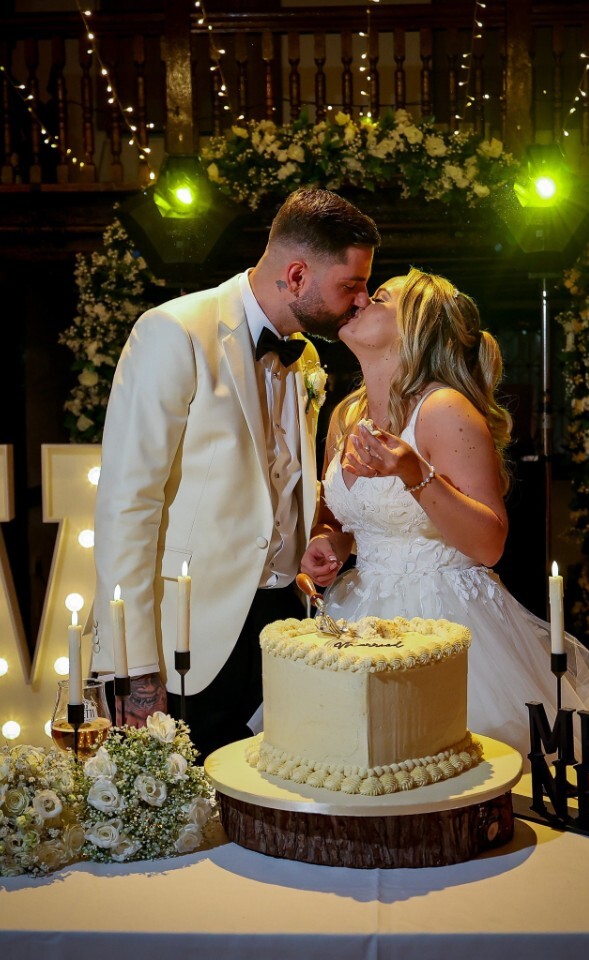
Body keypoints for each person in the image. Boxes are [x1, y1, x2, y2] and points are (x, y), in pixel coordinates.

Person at [301, 268, 589, 760]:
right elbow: (344, 524)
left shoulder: (444, 409)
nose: (358, 302)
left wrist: (413, 472)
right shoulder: (346, 415)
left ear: (416, 327)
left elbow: (489, 543)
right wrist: (327, 545)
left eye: (378, 298)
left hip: (445, 618)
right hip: (356, 615)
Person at [91, 188, 380, 758]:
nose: (362, 299)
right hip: (189, 638)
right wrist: (133, 665)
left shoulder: (308, 358)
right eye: (351, 284)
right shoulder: (173, 332)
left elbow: (280, 478)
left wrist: (312, 539)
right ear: (297, 274)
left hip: (282, 625)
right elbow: (129, 502)